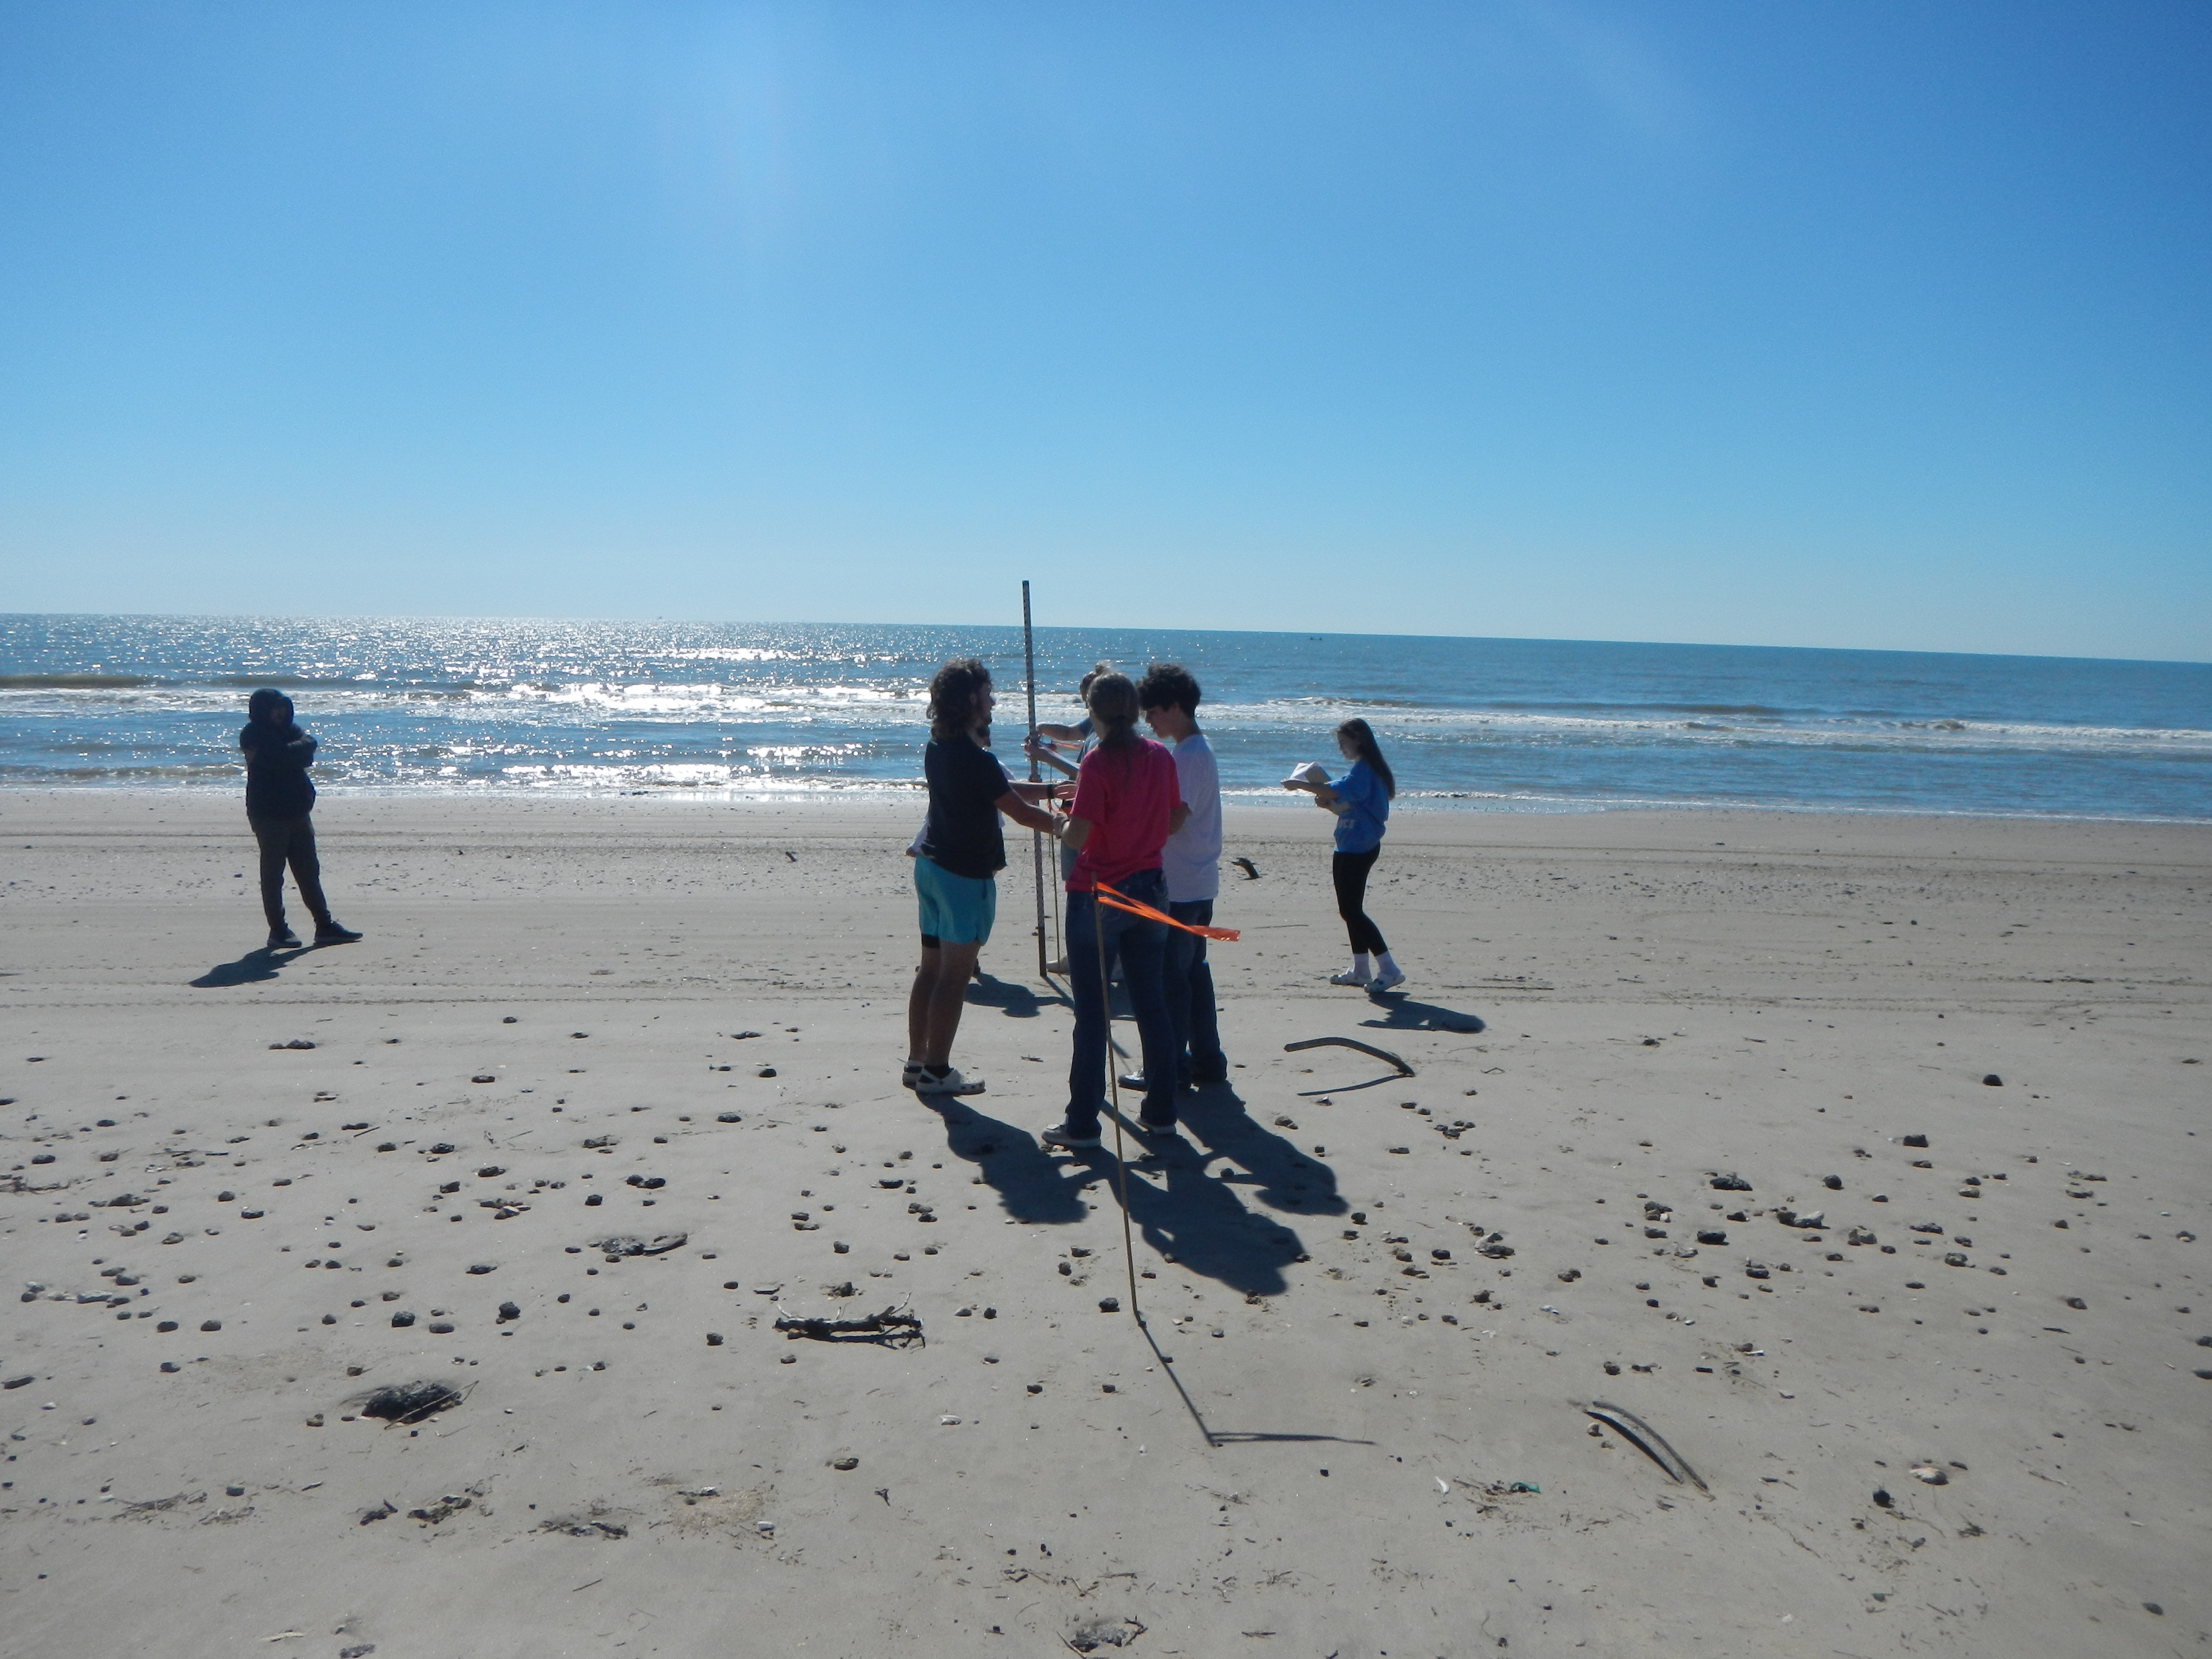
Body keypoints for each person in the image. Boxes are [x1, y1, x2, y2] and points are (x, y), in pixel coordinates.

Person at [1040, 672, 1189, 1149]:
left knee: (1093, 1013)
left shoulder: (1100, 761)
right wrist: (1137, 828)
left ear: (1095, 712)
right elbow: (1176, 816)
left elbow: (1079, 835)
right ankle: (1162, 1112)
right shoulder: (1159, 756)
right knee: (1151, 1003)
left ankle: (1082, 1123)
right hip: (1149, 887)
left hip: (1100, 890)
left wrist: (1061, 820)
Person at [908, 658, 1059, 1097]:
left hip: (933, 867)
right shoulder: (977, 757)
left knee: (931, 969)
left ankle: (919, 1061)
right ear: (972, 699)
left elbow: (1004, 793)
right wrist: (1068, 828)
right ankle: (937, 1069)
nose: (993, 700)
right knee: (953, 976)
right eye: (989, 693)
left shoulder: (939, 746)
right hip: (962, 876)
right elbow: (1020, 812)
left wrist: (1052, 792)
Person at [1138, 662, 1227, 1089]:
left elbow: (1175, 819)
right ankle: (1206, 1060)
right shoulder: (1192, 752)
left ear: (1174, 707)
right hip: (1197, 881)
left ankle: (1173, 1065)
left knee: (1173, 981)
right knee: (1192, 974)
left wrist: (1134, 832)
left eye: (1152, 712)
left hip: (1184, 886)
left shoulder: (1188, 755)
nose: (1149, 721)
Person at [1283, 716, 1402, 990]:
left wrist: (1300, 784)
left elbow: (1340, 789)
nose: (1341, 749)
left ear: (1358, 740)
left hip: (1359, 846)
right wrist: (1328, 805)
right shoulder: (1363, 771)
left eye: (1343, 743)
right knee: (1350, 911)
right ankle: (1361, 968)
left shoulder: (1367, 770)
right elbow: (1348, 803)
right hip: (1349, 843)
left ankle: (1389, 967)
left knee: (1352, 911)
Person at [239, 688, 360, 950]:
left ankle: (325, 926)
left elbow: (302, 751)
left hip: (298, 811)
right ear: (262, 710)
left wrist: (299, 749)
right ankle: (278, 931)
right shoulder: (253, 734)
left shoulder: (289, 730)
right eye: (275, 708)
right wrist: (301, 749)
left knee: (309, 872)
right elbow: (284, 756)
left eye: (283, 708)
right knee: (274, 874)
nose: (280, 713)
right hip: (269, 814)